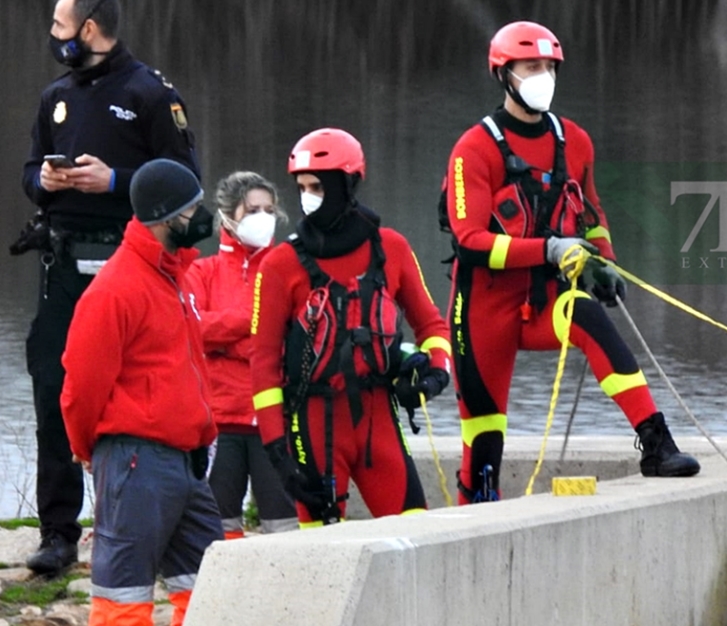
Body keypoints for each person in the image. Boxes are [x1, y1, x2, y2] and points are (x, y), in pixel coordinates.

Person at [441, 21, 700, 504]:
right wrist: (551, 249)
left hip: (544, 298)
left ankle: (656, 443)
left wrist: (607, 263)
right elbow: (471, 240)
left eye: (549, 68)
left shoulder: (574, 140)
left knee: (593, 320)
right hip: (482, 308)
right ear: (505, 74)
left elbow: (593, 213)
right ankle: (475, 516)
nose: (544, 77)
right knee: (484, 443)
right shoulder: (473, 150)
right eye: (531, 67)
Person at [18, 0, 199, 574]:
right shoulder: (55, 97)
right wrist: (44, 182)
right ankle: (57, 532)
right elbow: (28, 171)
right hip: (64, 263)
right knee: (55, 388)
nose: (53, 35)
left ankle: (126, 518)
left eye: (59, 25)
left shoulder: (150, 93)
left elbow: (185, 180)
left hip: (128, 266)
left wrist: (116, 183)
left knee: (133, 395)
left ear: (90, 29)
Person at [249, 128, 453, 527]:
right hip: (313, 425)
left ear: (345, 184)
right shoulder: (279, 265)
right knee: (320, 554)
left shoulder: (390, 247)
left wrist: (435, 373)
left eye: (317, 187)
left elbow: (432, 325)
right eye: (302, 187)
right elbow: (263, 363)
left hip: (379, 418)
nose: (307, 197)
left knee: (414, 537)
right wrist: (277, 449)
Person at [61, 158, 221, 626]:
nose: (203, 217)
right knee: (123, 599)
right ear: (165, 217)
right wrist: (85, 448)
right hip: (136, 461)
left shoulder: (176, 277)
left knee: (211, 589)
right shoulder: (117, 288)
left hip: (186, 461)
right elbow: (81, 386)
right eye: (193, 209)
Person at [186, 171, 299, 539]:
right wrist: (254, 321)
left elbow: (292, 339)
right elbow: (192, 330)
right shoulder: (202, 271)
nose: (262, 218)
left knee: (284, 525)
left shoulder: (287, 267)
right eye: (252, 210)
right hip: (221, 419)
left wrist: (226, 342)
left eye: (269, 209)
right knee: (218, 527)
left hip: (274, 418)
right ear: (228, 216)